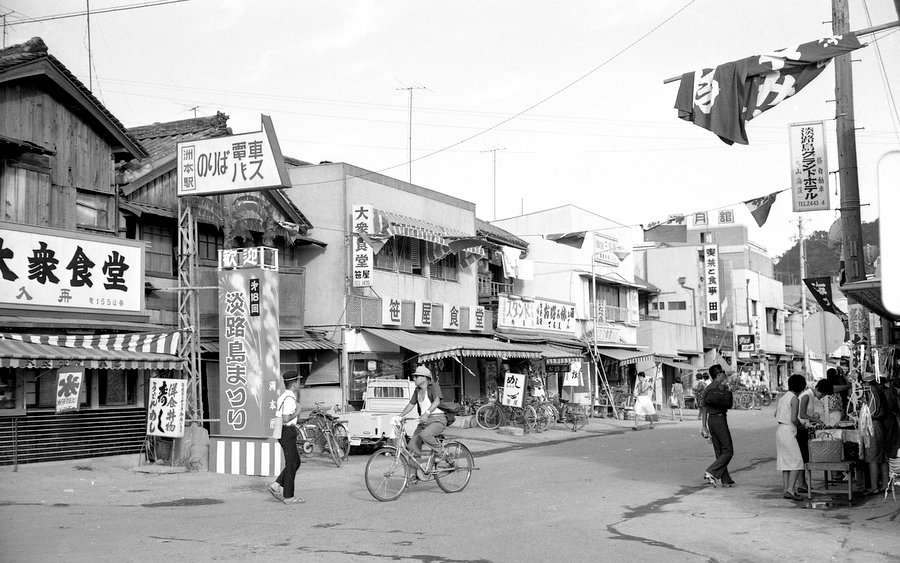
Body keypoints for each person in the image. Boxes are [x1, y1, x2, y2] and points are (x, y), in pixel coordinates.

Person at [399, 365, 448, 482]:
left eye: (416, 377)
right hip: (424, 422)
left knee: (425, 435)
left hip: (438, 419)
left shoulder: (433, 386)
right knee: (412, 447)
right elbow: (411, 405)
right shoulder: (417, 391)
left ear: (424, 378)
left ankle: (440, 452)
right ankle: (412, 476)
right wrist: (399, 416)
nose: (414, 379)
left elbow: (437, 400)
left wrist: (427, 413)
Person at [269, 371, 304, 504]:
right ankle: (289, 496)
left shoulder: (283, 396)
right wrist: (298, 411)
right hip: (287, 432)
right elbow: (286, 418)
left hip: (285, 432)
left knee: (296, 462)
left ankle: (276, 484)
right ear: (294, 384)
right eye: (298, 382)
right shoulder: (289, 399)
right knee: (292, 463)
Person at [795, 378, 834, 492]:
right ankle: (801, 484)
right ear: (819, 390)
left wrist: (814, 419)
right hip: (800, 429)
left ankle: (803, 483)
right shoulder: (806, 395)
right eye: (823, 394)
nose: (822, 396)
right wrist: (816, 420)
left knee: (804, 457)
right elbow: (801, 414)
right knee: (802, 457)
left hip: (805, 428)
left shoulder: (811, 396)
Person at [863, 376, 900, 495]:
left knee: (872, 457)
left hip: (874, 424)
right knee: (883, 456)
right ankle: (885, 484)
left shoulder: (873, 393)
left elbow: (872, 412)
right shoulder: (882, 393)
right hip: (882, 425)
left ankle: (874, 487)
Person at [700, 364, 735, 487]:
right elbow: (729, 402)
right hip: (720, 420)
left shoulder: (707, 388)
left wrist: (704, 426)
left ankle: (725, 480)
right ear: (719, 374)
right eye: (723, 373)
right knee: (728, 451)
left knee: (719, 451)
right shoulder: (721, 387)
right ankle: (711, 471)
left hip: (711, 421)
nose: (725, 375)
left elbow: (703, 408)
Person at [776, 374, 807, 501]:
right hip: (788, 431)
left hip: (780, 430)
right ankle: (791, 490)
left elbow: (776, 414)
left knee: (786, 462)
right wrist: (801, 426)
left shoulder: (783, 397)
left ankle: (786, 489)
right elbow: (794, 418)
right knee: (797, 461)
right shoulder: (794, 399)